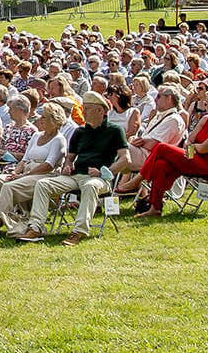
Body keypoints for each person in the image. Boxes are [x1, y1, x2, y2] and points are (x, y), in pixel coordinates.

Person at [7, 92, 126, 242]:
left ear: (100, 111)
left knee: (90, 186)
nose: (84, 112)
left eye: (88, 109)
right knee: (43, 184)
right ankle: (35, 228)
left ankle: (79, 231)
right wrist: (67, 166)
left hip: (99, 179)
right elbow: (70, 157)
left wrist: (104, 172)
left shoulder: (115, 130)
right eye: (84, 108)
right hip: (75, 176)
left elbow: (125, 159)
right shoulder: (80, 131)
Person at [135, 86, 208, 217]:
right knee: (160, 165)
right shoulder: (206, 119)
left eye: (207, 102)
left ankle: (137, 180)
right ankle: (155, 208)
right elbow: (189, 139)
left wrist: (191, 148)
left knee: (162, 147)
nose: (204, 104)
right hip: (193, 157)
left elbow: (204, 148)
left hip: (207, 166)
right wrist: (190, 148)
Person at [0, 102, 68, 240]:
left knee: (9, 187)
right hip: (26, 171)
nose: (40, 120)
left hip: (43, 175)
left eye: (44, 117)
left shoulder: (59, 140)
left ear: (54, 120)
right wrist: (15, 172)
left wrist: (23, 175)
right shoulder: (37, 136)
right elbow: (25, 159)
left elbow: (48, 165)